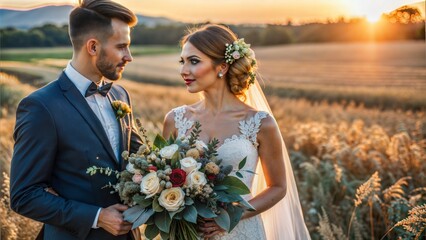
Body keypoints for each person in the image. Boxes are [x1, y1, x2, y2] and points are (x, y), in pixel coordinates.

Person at [162, 24, 311, 239]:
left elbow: (278, 187)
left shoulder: (260, 123)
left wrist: (232, 214)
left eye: (194, 61)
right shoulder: (175, 119)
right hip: (191, 231)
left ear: (221, 66)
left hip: (241, 230)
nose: (183, 70)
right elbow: (166, 178)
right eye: (182, 61)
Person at [9, 0, 143, 239]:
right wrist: (97, 216)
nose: (129, 57)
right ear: (92, 47)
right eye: (122, 47)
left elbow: (140, 159)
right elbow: (24, 196)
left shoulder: (120, 95)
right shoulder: (41, 107)